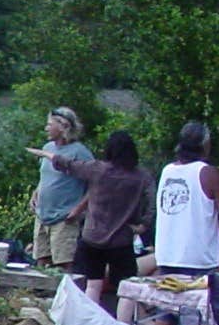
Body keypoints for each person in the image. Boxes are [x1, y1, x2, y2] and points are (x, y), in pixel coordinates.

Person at [28, 130, 152, 310]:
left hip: (92, 238)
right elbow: (151, 204)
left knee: (93, 285)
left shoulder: (98, 169)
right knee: (126, 289)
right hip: (122, 239)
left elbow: (69, 164)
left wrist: (47, 154)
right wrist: (143, 226)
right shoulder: (141, 176)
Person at [150, 120, 219, 325]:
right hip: (197, 255)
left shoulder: (167, 171)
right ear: (205, 145)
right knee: (199, 314)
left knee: (165, 308)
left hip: (168, 251)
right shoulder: (207, 173)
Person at [31, 106, 93, 268]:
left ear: (63, 126)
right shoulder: (47, 148)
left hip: (64, 217)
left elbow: (95, 184)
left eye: (50, 124)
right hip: (42, 214)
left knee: (64, 263)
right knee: (41, 259)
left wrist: (79, 209)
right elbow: (46, 175)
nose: (46, 128)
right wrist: (37, 192)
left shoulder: (80, 152)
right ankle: (39, 292)